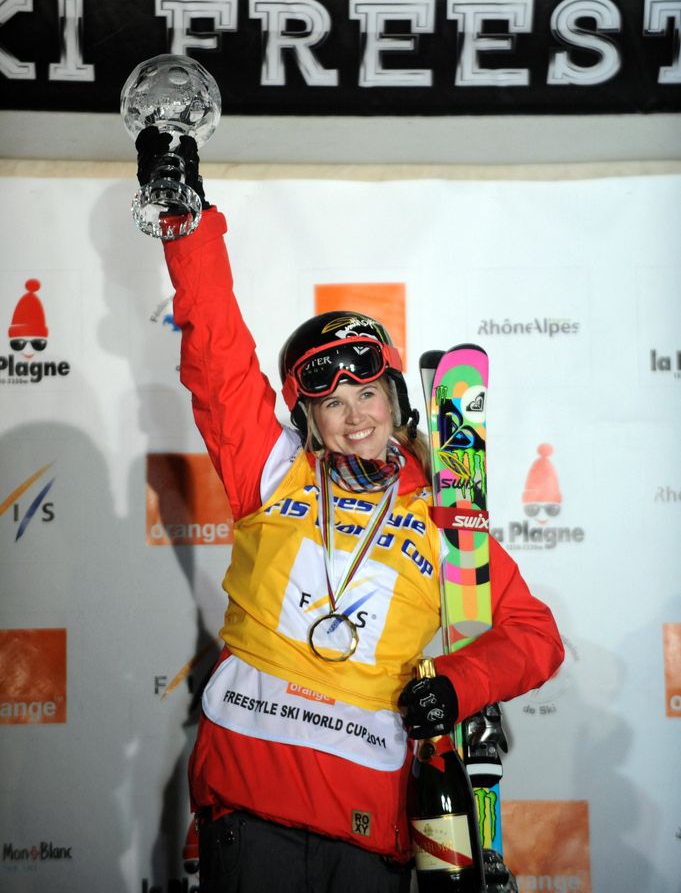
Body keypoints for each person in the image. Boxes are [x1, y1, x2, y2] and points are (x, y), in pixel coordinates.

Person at [135, 128, 565, 893]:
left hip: (369, 817)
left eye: (366, 393)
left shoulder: (444, 518)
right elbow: (217, 352)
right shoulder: (271, 473)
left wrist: (459, 686)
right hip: (249, 794)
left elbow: (533, 637)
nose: (353, 415)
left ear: (395, 398)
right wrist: (186, 224)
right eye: (329, 402)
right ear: (308, 419)